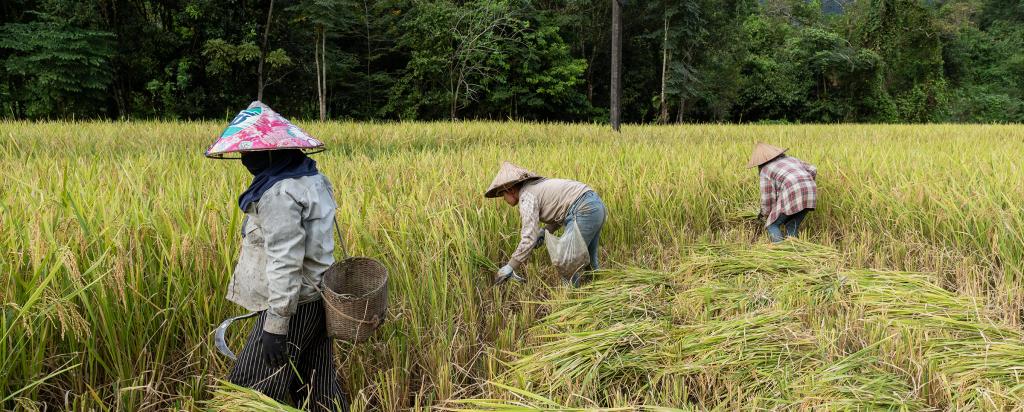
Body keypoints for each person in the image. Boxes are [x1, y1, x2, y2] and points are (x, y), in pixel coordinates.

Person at [205, 102, 348, 411]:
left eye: (251, 152)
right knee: (317, 389)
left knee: (249, 391)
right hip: (318, 301)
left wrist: (276, 326)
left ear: (272, 152)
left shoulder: (279, 194)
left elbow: (286, 262)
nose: (244, 158)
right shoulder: (312, 180)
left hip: (292, 306)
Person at [484, 161, 607, 287]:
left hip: (584, 209)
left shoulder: (526, 196)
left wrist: (511, 266)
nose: (504, 199)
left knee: (565, 261)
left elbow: (528, 238)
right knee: (590, 262)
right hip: (595, 206)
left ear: (509, 189)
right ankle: (597, 289)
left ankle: (572, 297)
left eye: (502, 195)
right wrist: (545, 231)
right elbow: (562, 210)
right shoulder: (536, 187)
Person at [748, 142, 817, 243]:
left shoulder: (765, 170)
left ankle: (781, 251)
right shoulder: (791, 159)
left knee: (772, 225)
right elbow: (813, 169)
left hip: (792, 191)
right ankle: (794, 251)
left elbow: (768, 198)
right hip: (810, 191)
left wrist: (764, 214)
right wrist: (806, 182)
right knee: (791, 225)